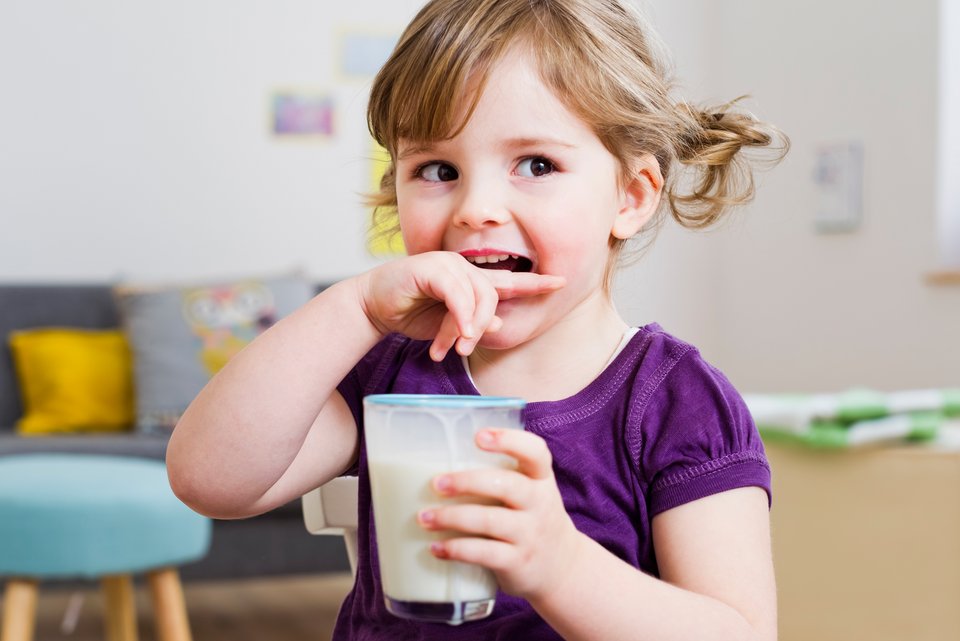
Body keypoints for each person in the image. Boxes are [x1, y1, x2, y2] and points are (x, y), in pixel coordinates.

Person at [167, 0, 787, 639]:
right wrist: (354, 307)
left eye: (536, 165)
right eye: (438, 170)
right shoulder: (393, 369)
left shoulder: (677, 403)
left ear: (630, 197)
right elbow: (209, 480)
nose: (477, 207)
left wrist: (561, 565)